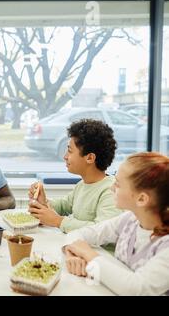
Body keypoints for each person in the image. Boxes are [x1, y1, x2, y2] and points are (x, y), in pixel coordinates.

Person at [63, 152, 169, 296]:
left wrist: (89, 255)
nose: (112, 187)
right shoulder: (128, 220)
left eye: (118, 184)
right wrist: (73, 255)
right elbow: (79, 234)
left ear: (142, 199)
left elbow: (136, 289)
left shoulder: (165, 247)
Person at [28, 119, 122, 233]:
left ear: (90, 158)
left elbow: (101, 230)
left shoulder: (110, 191)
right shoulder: (82, 185)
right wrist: (43, 202)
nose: (65, 156)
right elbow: (64, 206)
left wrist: (58, 221)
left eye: (70, 151)